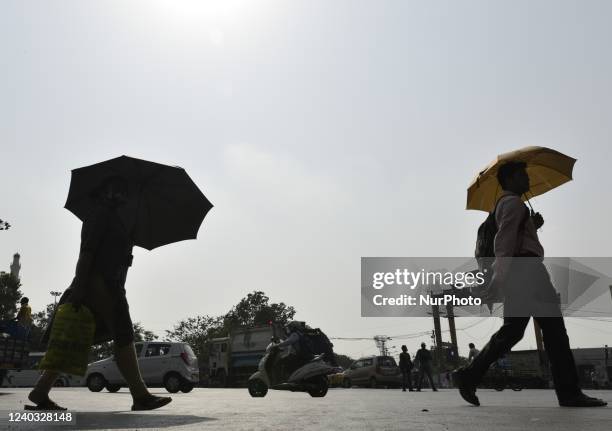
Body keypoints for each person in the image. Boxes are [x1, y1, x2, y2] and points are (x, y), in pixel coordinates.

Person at [453, 161, 607, 407]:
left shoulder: (505, 205)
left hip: (520, 273)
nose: (527, 179)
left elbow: (513, 239)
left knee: (512, 331)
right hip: (528, 273)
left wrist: (532, 226)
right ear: (511, 178)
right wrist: (498, 278)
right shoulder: (513, 203)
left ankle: (469, 374)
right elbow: (503, 243)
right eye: (522, 174)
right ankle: (569, 393)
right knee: (555, 332)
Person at [30, 176, 172, 411]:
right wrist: (80, 288)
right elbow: (87, 253)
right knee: (123, 335)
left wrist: (128, 246)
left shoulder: (114, 217)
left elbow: (112, 253)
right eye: (119, 189)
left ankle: (40, 391)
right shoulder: (100, 213)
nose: (123, 194)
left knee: (73, 337)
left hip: (106, 283)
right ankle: (140, 394)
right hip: (99, 285)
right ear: (105, 191)